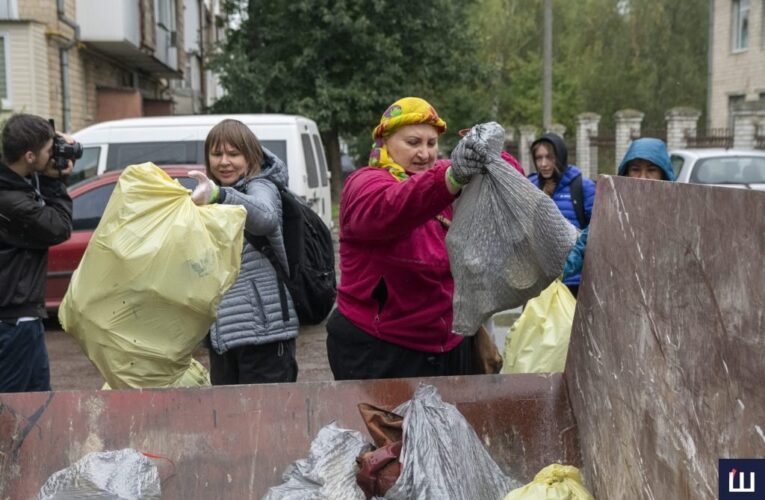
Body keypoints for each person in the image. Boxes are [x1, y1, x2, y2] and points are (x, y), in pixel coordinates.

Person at [325, 97, 486, 380]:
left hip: (447, 346)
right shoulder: (365, 183)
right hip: (378, 349)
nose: (424, 153)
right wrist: (450, 178)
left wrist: (489, 153)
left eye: (431, 143)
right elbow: (393, 205)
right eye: (413, 143)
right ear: (385, 142)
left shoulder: (447, 183)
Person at [189, 119, 299, 385]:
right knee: (229, 420)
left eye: (233, 154)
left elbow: (265, 218)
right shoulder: (212, 199)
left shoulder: (261, 186)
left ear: (250, 157)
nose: (224, 161)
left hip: (266, 334)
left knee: (269, 421)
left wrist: (218, 194)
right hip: (224, 336)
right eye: (216, 154)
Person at [0, 114, 74, 392]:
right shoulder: (13, 202)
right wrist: (56, 181)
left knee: (39, 404)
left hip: (21, 320)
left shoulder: (14, 186)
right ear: (30, 156)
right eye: (48, 150)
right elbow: (59, 228)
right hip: (14, 323)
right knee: (12, 409)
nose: (52, 155)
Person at [562, 137, 675, 279]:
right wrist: (555, 272)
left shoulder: (678, 213)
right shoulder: (612, 210)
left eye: (651, 170)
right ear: (626, 173)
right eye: (635, 170)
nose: (643, 178)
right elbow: (583, 248)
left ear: (663, 174)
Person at [529, 132, 596, 297]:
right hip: (538, 282)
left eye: (549, 157)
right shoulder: (530, 186)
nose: (543, 164)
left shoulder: (582, 186)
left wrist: (572, 263)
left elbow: (595, 227)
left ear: (560, 156)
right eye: (539, 158)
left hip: (574, 282)